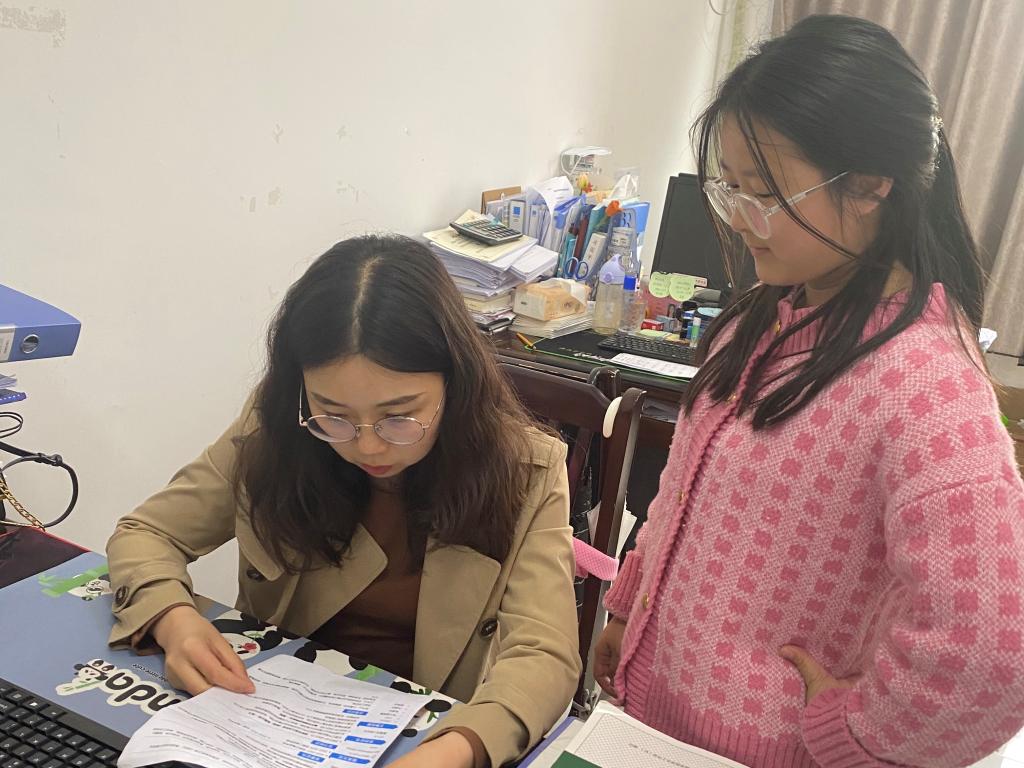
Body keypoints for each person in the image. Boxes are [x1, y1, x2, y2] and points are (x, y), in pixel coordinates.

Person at [594, 14, 1024, 768]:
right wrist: (629, 609)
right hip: (655, 724)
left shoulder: (925, 384)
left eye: (763, 193)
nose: (738, 219)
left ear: (871, 184)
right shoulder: (755, 320)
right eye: (729, 187)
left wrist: (858, 734)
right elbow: (683, 495)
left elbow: (992, 644)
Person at [106, 235, 581, 768]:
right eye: (333, 415)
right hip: (263, 721)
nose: (368, 446)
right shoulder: (274, 430)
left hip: (424, 739)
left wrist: (457, 750)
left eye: (399, 416)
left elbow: (544, 653)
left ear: (456, 384)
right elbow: (148, 533)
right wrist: (174, 619)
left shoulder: (525, 469)